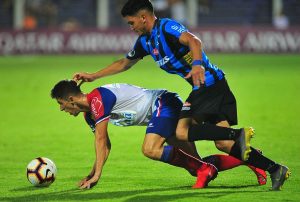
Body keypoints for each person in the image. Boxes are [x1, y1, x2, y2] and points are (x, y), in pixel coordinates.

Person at [72, 0, 290, 190]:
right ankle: (275, 169)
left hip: (208, 84)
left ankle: (238, 135)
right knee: (223, 145)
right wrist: (93, 76)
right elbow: (124, 63)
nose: (131, 27)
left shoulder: (166, 27)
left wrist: (197, 65)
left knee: (181, 132)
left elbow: (194, 41)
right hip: (211, 87)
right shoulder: (145, 42)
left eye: (131, 22)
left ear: (143, 17)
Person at [51, 80, 266, 189]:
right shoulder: (90, 116)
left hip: (164, 103)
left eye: (61, 104)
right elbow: (105, 146)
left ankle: (208, 167)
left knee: (150, 148)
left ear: (71, 100)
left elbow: (100, 139)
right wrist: (92, 172)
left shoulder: (97, 99)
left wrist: (99, 175)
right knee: (195, 164)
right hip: (160, 114)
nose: (62, 109)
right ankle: (252, 159)